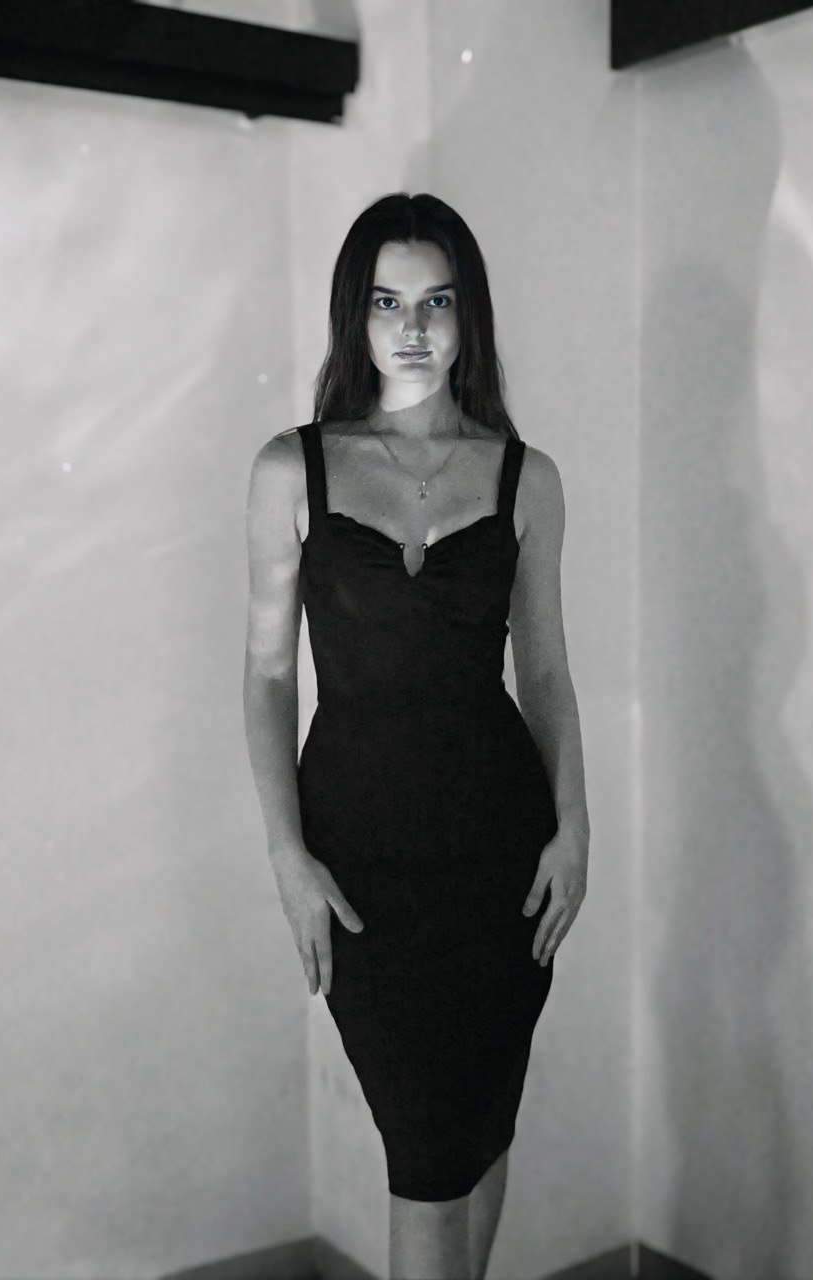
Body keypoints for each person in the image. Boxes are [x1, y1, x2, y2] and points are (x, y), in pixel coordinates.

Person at [243, 192, 590, 1279]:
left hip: (499, 854)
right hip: (362, 864)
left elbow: (544, 670)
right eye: (387, 302)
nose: (413, 328)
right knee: (428, 1153)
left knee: (479, 1131)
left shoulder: (526, 477)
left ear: (467, 314)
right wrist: (286, 854)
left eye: (436, 302)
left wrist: (574, 826)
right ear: (354, 314)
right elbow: (267, 673)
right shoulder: (290, 468)